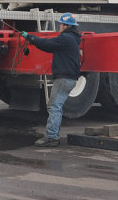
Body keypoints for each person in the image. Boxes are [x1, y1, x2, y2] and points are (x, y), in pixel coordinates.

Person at [20, 12, 82, 147]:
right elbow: (48, 47)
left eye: (61, 24)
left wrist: (30, 37)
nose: (59, 26)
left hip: (63, 78)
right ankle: (53, 135)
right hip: (69, 78)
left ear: (66, 26)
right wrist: (34, 40)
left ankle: (52, 137)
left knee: (54, 107)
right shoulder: (72, 38)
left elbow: (46, 43)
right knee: (56, 107)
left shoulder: (65, 38)